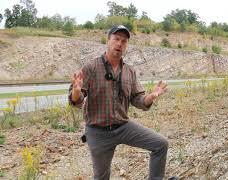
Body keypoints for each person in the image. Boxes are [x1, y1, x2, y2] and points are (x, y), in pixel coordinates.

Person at [68, 25, 169, 180]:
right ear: (108, 41)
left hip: (123, 126)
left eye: (124, 41)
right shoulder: (91, 67)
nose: (120, 43)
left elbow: (137, 99)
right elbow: (77, 100)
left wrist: (151, 96)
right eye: (116, 39)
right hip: (98, 131)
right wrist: (76, 92)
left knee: (160, 144)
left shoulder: (129, 71)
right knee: (101, 176)